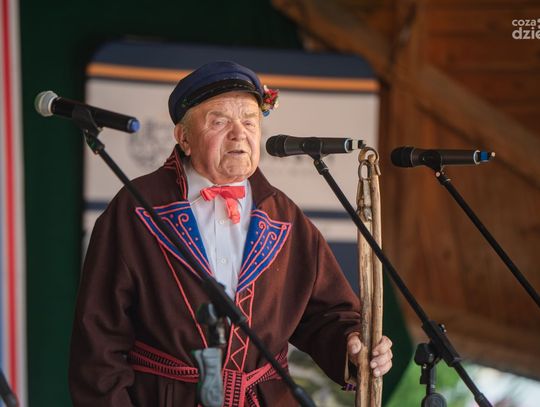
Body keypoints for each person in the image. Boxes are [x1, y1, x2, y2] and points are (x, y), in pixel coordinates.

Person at [69, 61, 393, 406]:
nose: (239, 134)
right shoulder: (137, 208)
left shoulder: (284, 216)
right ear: (184, 138)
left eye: (249, 121)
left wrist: (351, 344)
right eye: (219, 121)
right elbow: (98, 341)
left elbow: (326, 314)